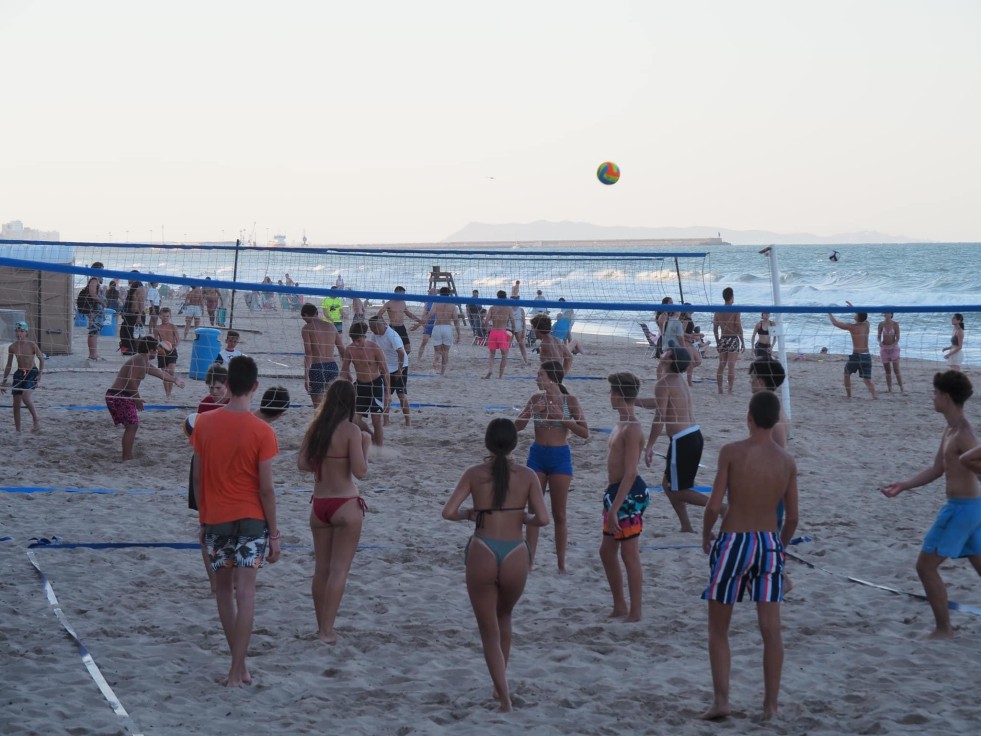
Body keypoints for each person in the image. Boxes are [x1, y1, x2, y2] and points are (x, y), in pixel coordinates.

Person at [701, 390, 799, 721]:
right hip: (768, 541)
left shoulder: (732, 452)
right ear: (775, 422)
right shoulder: (786, 461)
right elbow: (795, 517)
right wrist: (780, 546)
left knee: (718, 629)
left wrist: (705, 535)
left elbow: (714, 505)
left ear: (749, 417)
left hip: (734, 541)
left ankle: (722, 701)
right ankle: (770, 706)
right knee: (771, 630)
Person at [441, 418, 549, 713]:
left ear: (487, 443)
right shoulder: (527, 475)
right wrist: (523, 518)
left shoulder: (474, 473)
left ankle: (504, 697)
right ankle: (498, 686)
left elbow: (448, 512)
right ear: (514, 443)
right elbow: (542, 519)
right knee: (505, 618)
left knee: (488, 629)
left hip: (483, 548)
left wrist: (468, 515)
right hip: (515, 551)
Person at [192, 356, 280, 687]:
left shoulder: (205, 423)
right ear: (255, 387)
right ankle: (237, 669)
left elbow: (198, 479)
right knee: (246, 594)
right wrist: (275, 534)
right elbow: (267, 489)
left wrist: (202, 519)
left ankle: (237, 665)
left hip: (216, 518)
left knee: (224, 593)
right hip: (252, 520)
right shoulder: (263, 430)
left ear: (227, 386)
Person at [881, 370, 981, 640]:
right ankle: (944, 628)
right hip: (969, 510)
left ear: (946, 397)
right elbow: (938, 468)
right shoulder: (950, 429)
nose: (932, 397)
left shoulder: (964, 433)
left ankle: (943, 630)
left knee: (925, 566)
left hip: (962, 510)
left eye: (935, 393)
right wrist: (904, 485)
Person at [298, 379, 371, 644]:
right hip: (344, 502)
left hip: (319, 504)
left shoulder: (315, 428)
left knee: (322, 570)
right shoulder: (351, 430)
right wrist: (364, 445)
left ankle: (321, 626)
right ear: (351, 403)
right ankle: (327, 631)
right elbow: (361, 472)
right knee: (339, 571)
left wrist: (325, 461)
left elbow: (303, 464)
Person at [515, 361, 588, 573]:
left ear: (552, 378)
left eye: (540, 375)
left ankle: (561, 563)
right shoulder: (536, 399)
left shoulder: (569, 401)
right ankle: (529, 561)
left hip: (560, 456)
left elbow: (585, 432)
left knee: (559, 514)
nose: (537, 379)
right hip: (537, 454)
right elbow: (516, 427)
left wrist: (563, 419)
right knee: (534, 510)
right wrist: (530, 412)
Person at [642, 347, 706, 533]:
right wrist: (633, 401)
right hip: (693, 435)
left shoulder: (664, 383)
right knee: (668, 485)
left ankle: (723, 508)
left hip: (683, 440)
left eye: (667, 351)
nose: (663, 351)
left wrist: (650, 446)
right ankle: (686, 526)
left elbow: (659, 416)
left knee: (679, 490)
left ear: (671, 360)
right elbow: (660, 402)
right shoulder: (678, 380)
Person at [601, 372, 648, 622]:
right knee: (607, 552)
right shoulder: (621, 423)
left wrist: (615, 507)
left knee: (629, 553)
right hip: (615, 492)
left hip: (627, 494)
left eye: (611, 392)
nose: (609, 396)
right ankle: (620, 605)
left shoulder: (632, 427)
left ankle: (636, 611)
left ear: (619, 395)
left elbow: (631, 473)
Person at [105, 336, 185, 461]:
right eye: (157, 349)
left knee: (131, 426)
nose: (158, 352)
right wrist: (137, 399)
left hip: (122, 395)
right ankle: (127, 457)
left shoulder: (143, 360)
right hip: (118, 395)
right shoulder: (139, 360)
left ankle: (127, 455)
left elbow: (160, 373)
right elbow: (130, 380)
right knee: (132, 425)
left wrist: (175, 380)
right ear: (151, 350)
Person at [342, 321, 390, 446]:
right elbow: (344, 370)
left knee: (376, 421)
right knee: (354, 420)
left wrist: (388, 393)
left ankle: (380, 449)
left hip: (376, 385)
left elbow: (385, 371)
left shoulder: (375, 348)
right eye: (353, 340)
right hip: (360, 386)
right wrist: (339, 387)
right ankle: (373, 438)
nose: (356, 343)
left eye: (358, 340)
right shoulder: (350, 349)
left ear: (364, 336)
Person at [828, 302, 878, 399]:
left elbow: (835, 323)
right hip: (867, 356)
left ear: (858, 316)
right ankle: (874, 396)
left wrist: (829, 313)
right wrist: (853, 308)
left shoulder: (852, 327)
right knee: (867, 380)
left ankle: (848, 395)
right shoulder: (867, 325)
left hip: (857, 356)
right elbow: (863, 316)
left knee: (846, 373)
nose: (854, 315)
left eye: (856, 314)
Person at [1, 321, 44, 432]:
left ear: (26, 333)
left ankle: (36, 419)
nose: (19, 333)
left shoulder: (32, 345)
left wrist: (40, 374)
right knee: (16, 404)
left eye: (22, 331)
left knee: (25, 398)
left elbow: (42, 360)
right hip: (20, 373)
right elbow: (9, 365)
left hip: (31, 372)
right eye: (17, 331)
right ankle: (18, 431)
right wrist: (4, 381)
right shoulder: (12, 347)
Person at [300, 304, 345, 409]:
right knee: (333, 403)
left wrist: (306, 377)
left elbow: (308, 353)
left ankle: (320, 425)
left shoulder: (307, 328)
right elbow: (342, 350)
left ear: (305, 315)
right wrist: (345, 371)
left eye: (303, 318)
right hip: (332, 367)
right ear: (316, 313)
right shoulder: (331, 326)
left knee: (317, 406)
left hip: (317, 368)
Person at [368, 315, 410, 427]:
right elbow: (373, 350)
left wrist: (400, 370)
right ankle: (386, 422)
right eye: (370, 328)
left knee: (401, 395)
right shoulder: (375, 335)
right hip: (386, 368)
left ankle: (408, 422)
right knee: (385, 395)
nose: (372, 330)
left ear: (379, 326)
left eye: (373, 328)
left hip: (401, 366)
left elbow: (401, 353)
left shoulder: (392, 335)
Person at [416, 287, 462, 374]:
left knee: (437, 351)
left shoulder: (436, 303)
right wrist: (459, 334)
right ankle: (442, 372)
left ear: (440, 293)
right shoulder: (452, 305)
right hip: (447, 327)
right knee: (445, 352)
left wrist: (419, 324)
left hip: (437, 327)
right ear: (449, 294)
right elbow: (456, 321)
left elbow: (429, 315)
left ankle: (435, 365)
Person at [713, 287, 745, 394]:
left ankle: (720, 389)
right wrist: (743, 342)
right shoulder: (735, 310)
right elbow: (738, 326)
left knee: (721, 365)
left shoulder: (718, 311)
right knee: (731, 365)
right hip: (732, 339)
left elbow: (715, 328)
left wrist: (717, 341)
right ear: (731, 297)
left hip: (723, 338)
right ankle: (730, 390)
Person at [376, 285, 423, 352]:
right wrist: (384, 324)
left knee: (408, 349)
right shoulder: (389, 303)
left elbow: (408, 314)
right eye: (402, 294)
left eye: (404, 294)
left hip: (402, 327)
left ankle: (401, 360)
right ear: (396, 293)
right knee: (393, 348)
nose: (403, 296)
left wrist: (419, 320)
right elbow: (378, 315)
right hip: (393, 327)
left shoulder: (403, 303)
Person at [483, 290, 515, 379]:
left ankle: (490, 370)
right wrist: (513, 332)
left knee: (492, 355)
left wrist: (487, 329)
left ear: (497, 297)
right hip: (502, 332)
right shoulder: (508, 309)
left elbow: (486, 321)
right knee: (504, 355)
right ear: (505, 297)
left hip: (493, 332)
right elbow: (513, 322)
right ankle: (500, 376)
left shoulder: (493, 308)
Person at [152, 307, 181, 399]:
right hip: (162, 352)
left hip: (172, 350)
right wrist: (157, 349)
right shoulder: (157, 328)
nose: (166, 318)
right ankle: (167, 394)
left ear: (170, 316)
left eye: (167, 316)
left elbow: (178, 341)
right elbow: (155, 342)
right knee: (164, 374)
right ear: (160, 316)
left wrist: (173, 348)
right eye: (164, 316)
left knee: (171, 372)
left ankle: (169, 392)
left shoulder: (173, 327)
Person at [82, 263, 108, 361]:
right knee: (93, 331)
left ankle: (94, 354)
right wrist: (102, 302)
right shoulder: (94, 280)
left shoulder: (97, 281)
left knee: (95, 332)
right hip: (95, 310)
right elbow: (92, 294)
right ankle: (92, 355)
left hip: (97, 310)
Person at [877, 312, 904, 394]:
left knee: (896, 370)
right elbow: (878, 336)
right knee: (887, 371)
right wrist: (880, 343)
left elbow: (898, 337)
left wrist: (893, 345)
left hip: (894, 348)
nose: (886, 314)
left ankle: (901, 388)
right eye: (885, 313)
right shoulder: (881, 324)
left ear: (891, 314)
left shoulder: (895, 324)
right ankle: (889, 389)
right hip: (884, 348)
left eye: (888, 313)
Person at [119, 273, 146, 355]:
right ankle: (128, 349)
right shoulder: (133, 287)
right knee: (125, 332)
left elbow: (141, 303)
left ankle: (136, 350)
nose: (128, 280)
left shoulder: (140, 288)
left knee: (136, 334)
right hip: (129, 314)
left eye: (129, 278)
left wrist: (139, 316)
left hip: (136, 314)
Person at [415, 287, 438, 364]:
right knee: (424, 341)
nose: (430, 293)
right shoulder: (427, 302)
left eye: (431, 292)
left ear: (436, 293)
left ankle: (435, 361)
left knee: (436, 344)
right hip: (428, 324)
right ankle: (419, 358)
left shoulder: (439, 301)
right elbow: (424, 314)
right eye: (429, 292)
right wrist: (423, 324)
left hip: (436, 324)